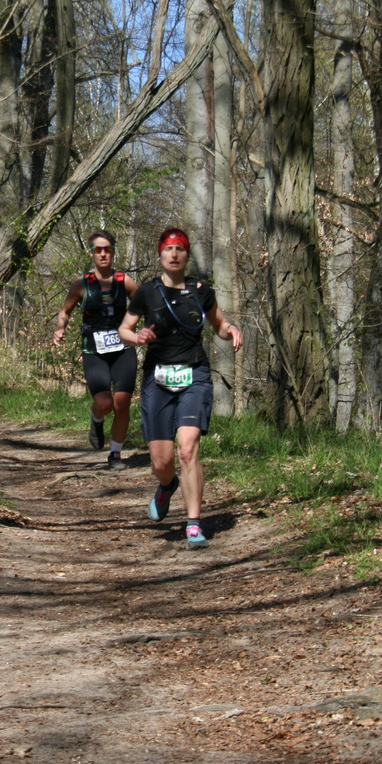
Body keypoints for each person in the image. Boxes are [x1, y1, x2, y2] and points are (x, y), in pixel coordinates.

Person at [117, 228, 242, 548]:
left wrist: (232, 330)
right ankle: (166, 486)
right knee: (161, 462)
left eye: (180, 249)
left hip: (194, 376)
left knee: (187, 450)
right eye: (168, 249)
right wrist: (138, 337)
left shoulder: (201, 291)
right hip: (157, 380)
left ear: (187, 255)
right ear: (160, 255)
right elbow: (124, 330)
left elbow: (220, 325)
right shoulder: (147, 292)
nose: (174, 254)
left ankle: (193, 524)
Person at [53, 231, 139, 469]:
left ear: (112, 251)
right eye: (98, 250)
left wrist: (147, 326)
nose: (103, 254)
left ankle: (115, 454)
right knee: (104, 402)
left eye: (107, 249)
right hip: (94, 350)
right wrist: (60, 328)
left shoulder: (126, 281)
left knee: (122, 403)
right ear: (91, 253)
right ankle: (96, 418)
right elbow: (65, 311)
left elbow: (144, 304)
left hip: (123, 347)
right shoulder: (82, 284)